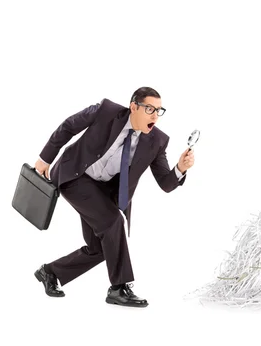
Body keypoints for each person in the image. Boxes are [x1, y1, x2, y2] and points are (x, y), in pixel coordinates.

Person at [32, 86, 194, 308]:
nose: (155, 115)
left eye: (159, 110)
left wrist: (180, 168)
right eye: (149, 109)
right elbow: (69, 126)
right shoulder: (106, 111)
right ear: (133, 107)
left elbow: (166, 183)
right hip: (75, 176)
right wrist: (45, 158)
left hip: (100, 189)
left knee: (102, 248)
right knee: (113, 222)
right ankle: (119, 288)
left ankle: (50, 272)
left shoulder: (157, 141)